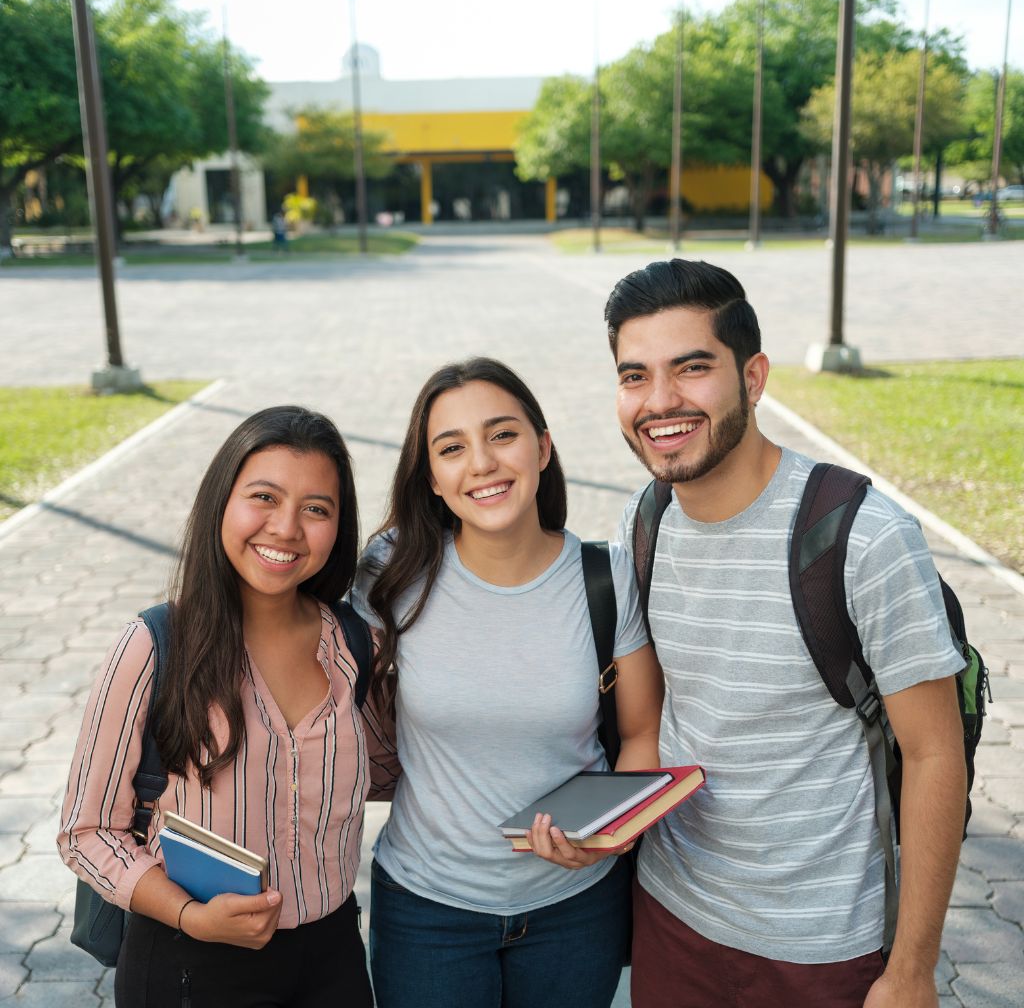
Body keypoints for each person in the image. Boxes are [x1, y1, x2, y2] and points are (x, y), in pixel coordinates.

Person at [604, 258, 967, 1008]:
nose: (660, 401)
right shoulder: (645, 523)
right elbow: (663, 722)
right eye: (634, 375)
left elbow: (936, 755)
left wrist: (912, 972)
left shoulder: (863, 537)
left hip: (821, 947)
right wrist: (598, 828)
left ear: (754, 377)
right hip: (673, 919)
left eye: (692, 368)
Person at [351, 357, 664, 1008]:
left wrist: (611, 835)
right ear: (431, 477)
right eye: (452, 448)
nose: (483, 463)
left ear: (543, 447)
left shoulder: (603, 578)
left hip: (576, 909)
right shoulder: (391, 574)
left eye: (502, 435)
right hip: (426, 910)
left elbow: (641, 734)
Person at [58, 406, 395, 1008]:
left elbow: (387, 770)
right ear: (222, 503)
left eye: (316, 508)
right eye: (263, 497)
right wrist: (190, 916)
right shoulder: (155, 645)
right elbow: (86, 833)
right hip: (192, 959)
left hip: (334, 957)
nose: (286, 527)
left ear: (338, 528)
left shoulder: (354, 644)